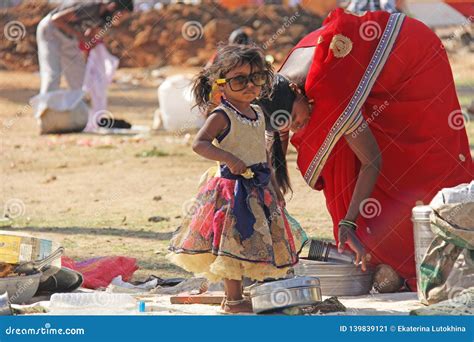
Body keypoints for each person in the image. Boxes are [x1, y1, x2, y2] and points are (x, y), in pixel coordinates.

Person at [258, 8, 473, 291]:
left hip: (412, 55)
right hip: (369, 71)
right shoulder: (276, 91)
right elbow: (274, 146)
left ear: (300, 93)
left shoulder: (329, 91)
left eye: (297, 120)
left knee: (420, 157)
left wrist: (349, 221)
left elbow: (373, 161)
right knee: (340, 153)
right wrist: (268, 201)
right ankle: (377, 254)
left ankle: (422, 252)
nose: (299, 128)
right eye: (291, 126)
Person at [168, 45, 307, 313]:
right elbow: (200, 144)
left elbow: (262, 153)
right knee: (232, 242)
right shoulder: (222, 115)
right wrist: (229, 159)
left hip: (258, 187)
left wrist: (275, 186)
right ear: (221, 84)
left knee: (252, 241)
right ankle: (233, 300)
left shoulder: (258, 112)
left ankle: (242, 294)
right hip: (232, 191)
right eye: (239, 80)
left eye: (256, 78)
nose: (249, 85)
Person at [36, 0, 133, 95]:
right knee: (53, 73)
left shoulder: (106, 18)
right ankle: (46, 105)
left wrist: (91, 53)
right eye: (121, 14)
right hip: (51, 31)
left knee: (79, 78)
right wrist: (81, 36)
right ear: (113, 6)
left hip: (70, 38)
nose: (121, 19)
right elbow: (56, 20)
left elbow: (90, 39)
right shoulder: (91, 7)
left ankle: (76, 105)